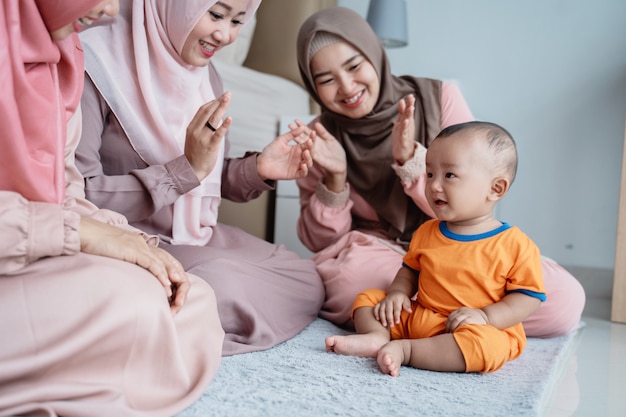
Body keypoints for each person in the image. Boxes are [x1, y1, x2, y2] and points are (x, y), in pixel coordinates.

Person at [294, 6, 584, 338]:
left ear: (374, 55)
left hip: (459, 243)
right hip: (381, 254)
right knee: (351, 284)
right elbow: (323, 242)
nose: (346, 87)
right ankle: (452, 325)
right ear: (313, 86)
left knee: (563, 299)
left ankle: (426, 324)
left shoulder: (437, 98)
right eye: (326, 80)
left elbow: (472, 201)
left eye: (354, 66)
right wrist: (336, 177)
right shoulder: (319, 137)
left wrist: (411, 162)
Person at [0, 1, 224, 416]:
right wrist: (82, 232)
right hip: (22, 243)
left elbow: (63, 190)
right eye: (215, 14)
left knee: (193, 298)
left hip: (41, 244)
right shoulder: (97, 66)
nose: (110, 9)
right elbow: (88, 191)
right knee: (138, 305)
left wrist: (134, 244)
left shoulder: (63, 54)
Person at [75, 0, 325, 356]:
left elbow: (206, 175)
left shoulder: (204, 75)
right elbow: (81, 196)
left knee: (304, 277)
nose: (224, 35)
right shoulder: (94, 66)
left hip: (190, 236)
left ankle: (175, 307)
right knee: (221, 285)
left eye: (239, 20)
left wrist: (258, 169)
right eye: (216, 14)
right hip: (123, 238)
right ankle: (160, 311)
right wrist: (183, 172)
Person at [325, 121, 546, 376]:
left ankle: (407, 351)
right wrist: (397, 294)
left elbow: (528, 298)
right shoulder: (428, 231)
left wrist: (486, 317)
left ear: (495, 188)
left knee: (487, 347)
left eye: (449, 175)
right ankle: (376, 336)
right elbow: (410, 272)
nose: (433, 186)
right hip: (423, 316)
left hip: (472, 327)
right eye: (430, 174)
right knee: (370, 298)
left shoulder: (516, 245)